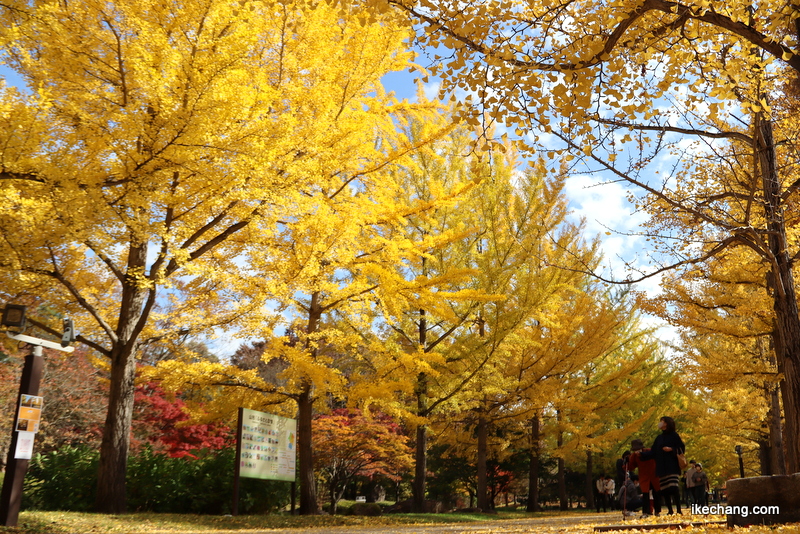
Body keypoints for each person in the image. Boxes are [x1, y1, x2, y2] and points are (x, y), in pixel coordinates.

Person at [639, 416, 685, 515]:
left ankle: (679, 510)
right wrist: (641, 454)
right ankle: (670, 510)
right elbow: (653, 451)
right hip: (661, 466)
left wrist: (671, 449)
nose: (660, 423)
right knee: (665, 490)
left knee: (674, 487)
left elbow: (681, 447)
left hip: (672, 465)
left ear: (667, 423)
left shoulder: (674, 435)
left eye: (662, 421)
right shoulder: (659, 438)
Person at [628, 438, 661, 516]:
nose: (637, 451)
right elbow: (631, 467)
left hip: (654, 475)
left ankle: (657, 511)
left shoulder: (649, 451)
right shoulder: (634, 456)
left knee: (656, 493)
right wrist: (626, 463)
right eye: (635, 450)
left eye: (638, 449)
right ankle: (645, 512)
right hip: (644, 477)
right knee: (645, 495)